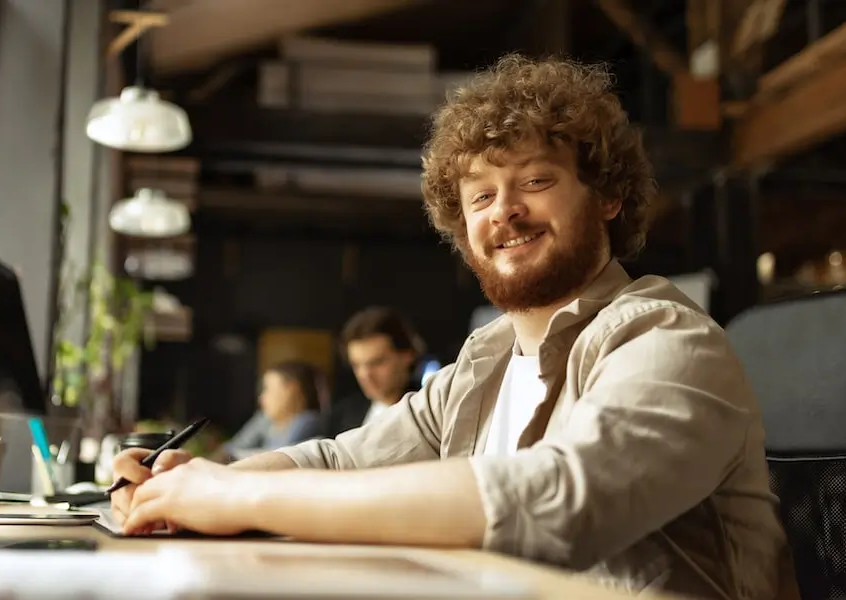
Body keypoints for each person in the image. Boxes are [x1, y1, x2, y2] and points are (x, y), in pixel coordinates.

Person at [109, 54, 790, 599]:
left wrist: (240, 496)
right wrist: (188, 486)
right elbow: (343, 459)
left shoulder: (667, 338)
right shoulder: (483, 363)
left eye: (535, 180)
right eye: (481, 196)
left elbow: (560, 504)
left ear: (609, 195)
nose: (505, 211)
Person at [322, 306, 424, 437]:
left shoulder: (427, 409)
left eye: (377, 362)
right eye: (356, 365)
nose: (364, 375)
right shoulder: (340, 416)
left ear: (407, 356)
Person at [217, 361, 323, 461]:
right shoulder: (266, 418)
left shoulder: (308, 422)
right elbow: (232, 447)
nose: (261, 398)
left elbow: (279, 458)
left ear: (291, 389)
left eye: (267, 389)